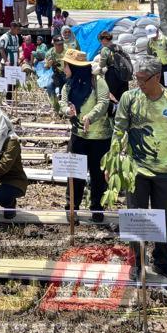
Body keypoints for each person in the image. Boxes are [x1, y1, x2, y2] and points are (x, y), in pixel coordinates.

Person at [112, 58, 167, 281]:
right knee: (136, 216)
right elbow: (119, 130)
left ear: (157, 77)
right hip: (137, 170)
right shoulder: (129, 98)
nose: (139, 83)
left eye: (143, 79)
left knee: (166, 219)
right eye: (137, 79)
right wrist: (113, 162)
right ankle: (137, 262)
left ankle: (163, 261)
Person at [64, 48, 111, 221]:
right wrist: (67, 110)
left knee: (98, 175)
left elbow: (104, 102)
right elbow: (63, 101)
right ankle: (72, 208)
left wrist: (90, 117)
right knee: (76, 173)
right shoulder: (69, 84)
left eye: (66, 66)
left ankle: (97, 208)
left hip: (100, 137)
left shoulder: (97, 81)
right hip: (79, 137)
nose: (64, 69)